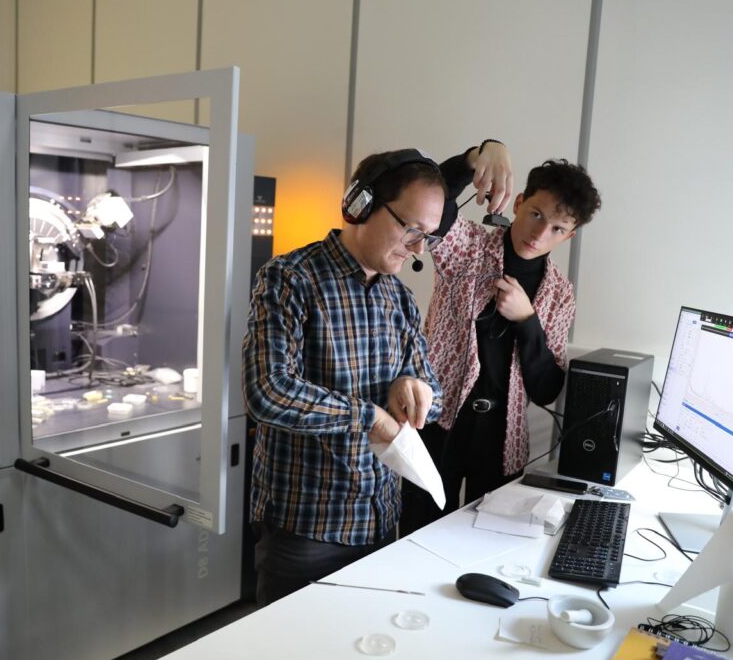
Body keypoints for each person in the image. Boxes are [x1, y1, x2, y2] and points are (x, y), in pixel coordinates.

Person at [242, 145, 513, 605]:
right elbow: (268, 392)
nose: (419, 249)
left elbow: (436, 396)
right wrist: (371, 418)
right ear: (361, 204)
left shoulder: (399, 299)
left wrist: (415, 388)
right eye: (411, 229)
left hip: (381, 522)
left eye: (428, 236)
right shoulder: (289, 278)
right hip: (306, 530)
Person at [400, 151, 602, 535]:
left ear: (570, 235)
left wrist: (528, 320)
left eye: (557, 228)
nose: (540, 234)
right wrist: (472, 160)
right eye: (537, 214)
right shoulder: (470, 246)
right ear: (520, 202)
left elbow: (547, 389)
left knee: (487, 543)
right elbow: (436, 202)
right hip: (438, 421)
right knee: (418, 532)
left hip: (501, 438)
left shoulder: (559, 294)